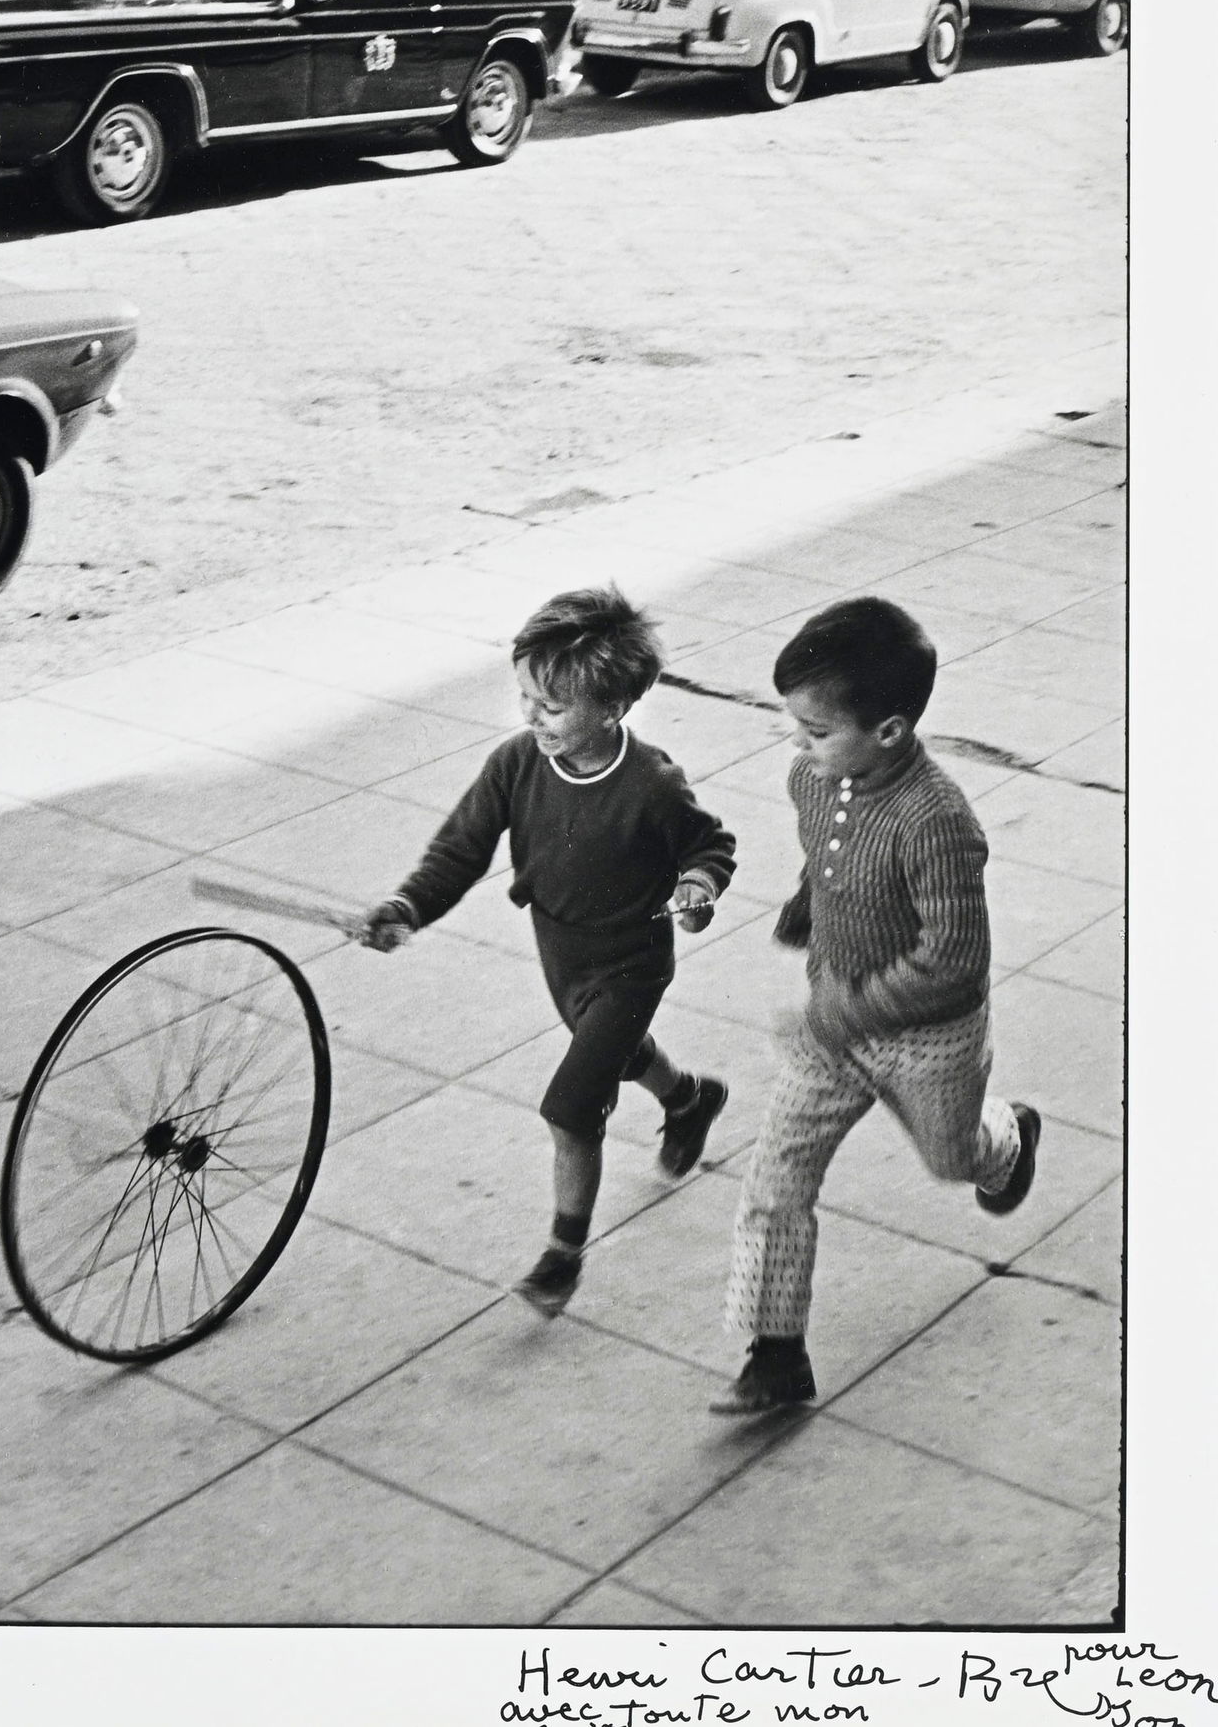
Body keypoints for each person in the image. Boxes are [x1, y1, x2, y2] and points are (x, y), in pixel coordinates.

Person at [359, 587, 737, 1318]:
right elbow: (460, 849)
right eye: (525, 697)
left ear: (614, 709)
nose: (532, 716)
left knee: (571, 1106)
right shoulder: (517, 764)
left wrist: (697, 887)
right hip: (561, 954)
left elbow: (708, 845)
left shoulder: (650, 783)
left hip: (631, 962)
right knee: (620, 1058)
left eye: (553, 707)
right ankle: (689, 1100)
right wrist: (409, 906)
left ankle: (562, 1258)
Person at [714, 598, 1041, 1416]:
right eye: (794, 724)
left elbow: (954, 964)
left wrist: (843, 1012)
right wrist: (807, 910)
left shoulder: (936, 820)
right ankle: (776, 1353)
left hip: (927, 1037)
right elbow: (825, 860)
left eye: (818, 730)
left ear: (890, 730)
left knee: (949, 1159)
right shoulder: (812, 779)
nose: (799, 744)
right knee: (776, 1176)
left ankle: (1006, 1136)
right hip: (835, 1025)